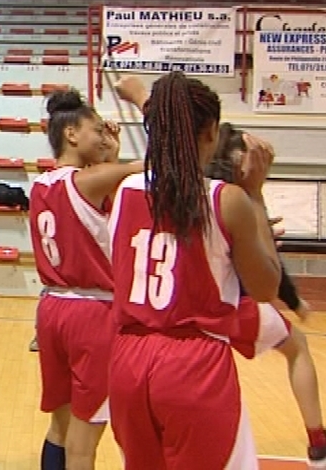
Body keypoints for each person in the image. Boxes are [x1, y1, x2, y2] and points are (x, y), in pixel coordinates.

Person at [108, 72, 280, 469]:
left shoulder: (125, 191)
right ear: (211, 132)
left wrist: (141, 97)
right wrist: (256, 195)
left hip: (129, 360)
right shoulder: (228, 200)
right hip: (193, 363)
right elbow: (267, 287)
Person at [29, 88, 143, 470]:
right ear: (72, 134)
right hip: (92, 312)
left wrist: (106, 155)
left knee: (59, 427)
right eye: (97, 129)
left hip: (51, 308)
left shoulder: (42, 184)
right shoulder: (88, 181)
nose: (105, 135)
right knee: (85, 438)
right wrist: (116, 155)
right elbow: (145, 171)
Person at [207, 122, 326, 466]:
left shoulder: (201, 193)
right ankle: (317, 440)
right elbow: (268, 271)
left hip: (193, 308)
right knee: (298, 346)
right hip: (237, 305)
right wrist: (294, 301)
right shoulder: (240, 198)